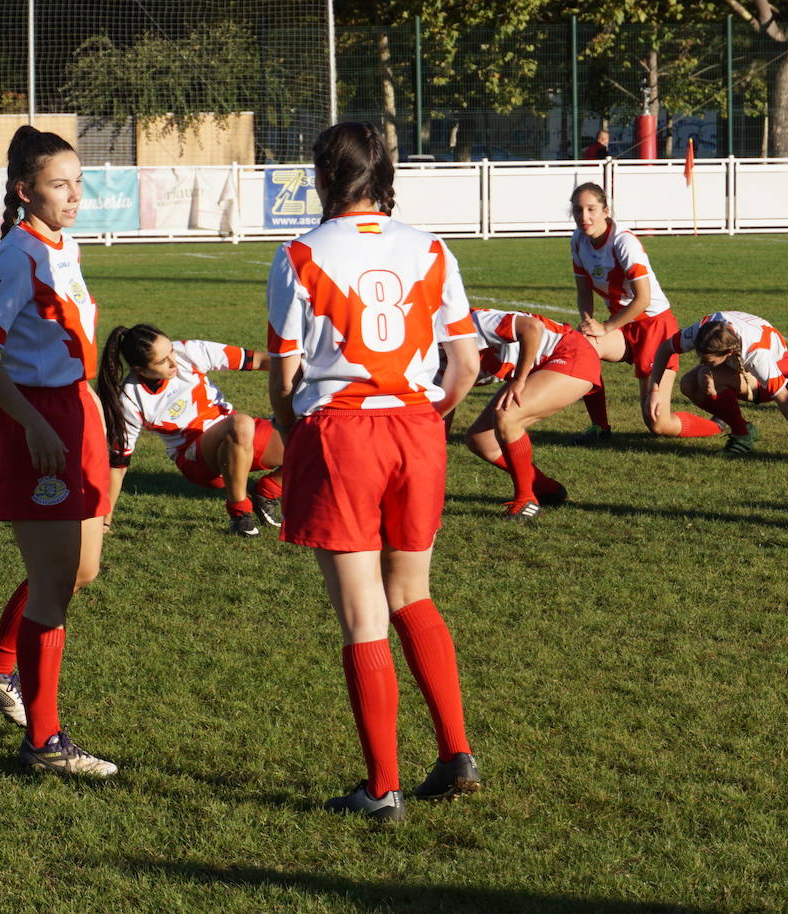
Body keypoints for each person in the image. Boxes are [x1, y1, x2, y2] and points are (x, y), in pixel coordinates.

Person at [267, 122, 483, 822]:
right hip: (417, 429)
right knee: (412, 595)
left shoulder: (300, 253)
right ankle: (456, 752)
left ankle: (382, 789)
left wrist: (293, 426)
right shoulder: (432, 248)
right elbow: (466, 362)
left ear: (324, 178)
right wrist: (433, 414)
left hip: (344, 430)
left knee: (364, 615)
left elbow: (285, 369)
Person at [0, 125, 116, 777]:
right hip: (39, 425)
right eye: (60, 185)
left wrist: (95, 407)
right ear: (27, 192)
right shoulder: (17, 255)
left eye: (80, 182)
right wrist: (33, 424)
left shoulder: (62, 245)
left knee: (80, 571)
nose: (74, 195)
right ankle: (45, 743)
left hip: (76, 414)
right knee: (54, 585)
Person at [568, 182, 721, 444]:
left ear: (605, 210)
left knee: (657, 423)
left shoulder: (623, 242)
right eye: (578, 210)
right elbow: (584, 290)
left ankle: (720, 425)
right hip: (623, 325)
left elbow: (643, 299)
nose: (584, 217)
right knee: (584, 345)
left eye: (591, 209)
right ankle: (600, 428)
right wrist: (588, 322)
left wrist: (605, 328)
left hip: (655, 327)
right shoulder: (578, 240)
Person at [96, 325, 284, 537]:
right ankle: (240, 515)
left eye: (171, 351)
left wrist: (312, 370)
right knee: (241, 424)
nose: (174, 362)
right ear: (141, 370)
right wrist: (105, 521)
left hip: (239, 437)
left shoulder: (189, 351)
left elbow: (259, 360)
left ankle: (269, 491)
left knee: (315, 431)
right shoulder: (130, 399)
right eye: (162, 361)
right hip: (197, 459)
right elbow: (118, 466)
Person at [463, 308, 603, 519]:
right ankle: (546, 488)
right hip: (538, 365)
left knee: (507, 415)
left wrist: (519, 380)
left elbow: (532, 328)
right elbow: (440, 414)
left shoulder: (467, 323)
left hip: (569, 352)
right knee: (481, 440)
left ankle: (526, 500)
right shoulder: (426, 360)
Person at [648, 310, 788, 464]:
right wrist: (654, 390)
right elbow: (665, 348)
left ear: (728, 354)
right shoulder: (704, 328)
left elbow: (784, 399)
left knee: (702, 377)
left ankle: (741, 435)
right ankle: (743, 428)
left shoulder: (757, 354)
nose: (702, 362)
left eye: (709, 360)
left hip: (780, 369)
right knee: (688, 383)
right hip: (740, 363)